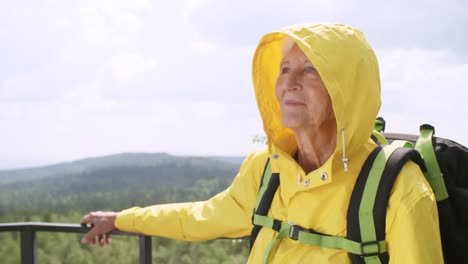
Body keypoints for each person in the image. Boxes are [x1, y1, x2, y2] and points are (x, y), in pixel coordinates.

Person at [81, 23, 444, 263]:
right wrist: (122, 219)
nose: (290, 82)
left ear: (347, 89)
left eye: (311, 69)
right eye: (284, 69)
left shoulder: (399, 187)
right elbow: (199, 217)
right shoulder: (267, 170)